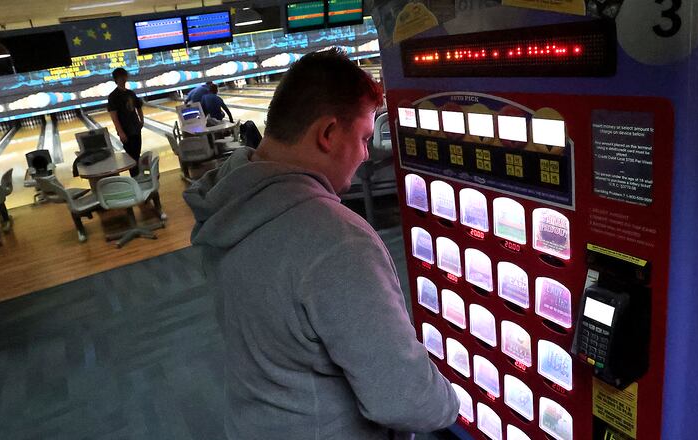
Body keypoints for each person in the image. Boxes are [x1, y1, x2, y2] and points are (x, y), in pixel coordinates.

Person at [183, 49, 458, 440]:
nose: (366, 154)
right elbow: (406, 400)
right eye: (363, 137)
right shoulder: (337, 241)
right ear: (328, 134)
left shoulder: (225, 204)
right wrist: (453, 403)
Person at [107, 67, 143, 177]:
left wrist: (142, 120)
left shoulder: (131, 93)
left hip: (136, 129)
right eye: (120, 77)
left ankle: (138, 178)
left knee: (137, 155)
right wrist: (120, 132)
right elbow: (114, 116)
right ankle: (136, 178)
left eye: (124, 76)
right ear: (116, 79)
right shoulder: (113, 96)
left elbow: (139, 106)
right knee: (132, 157)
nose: (123, 78)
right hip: (126, 131)